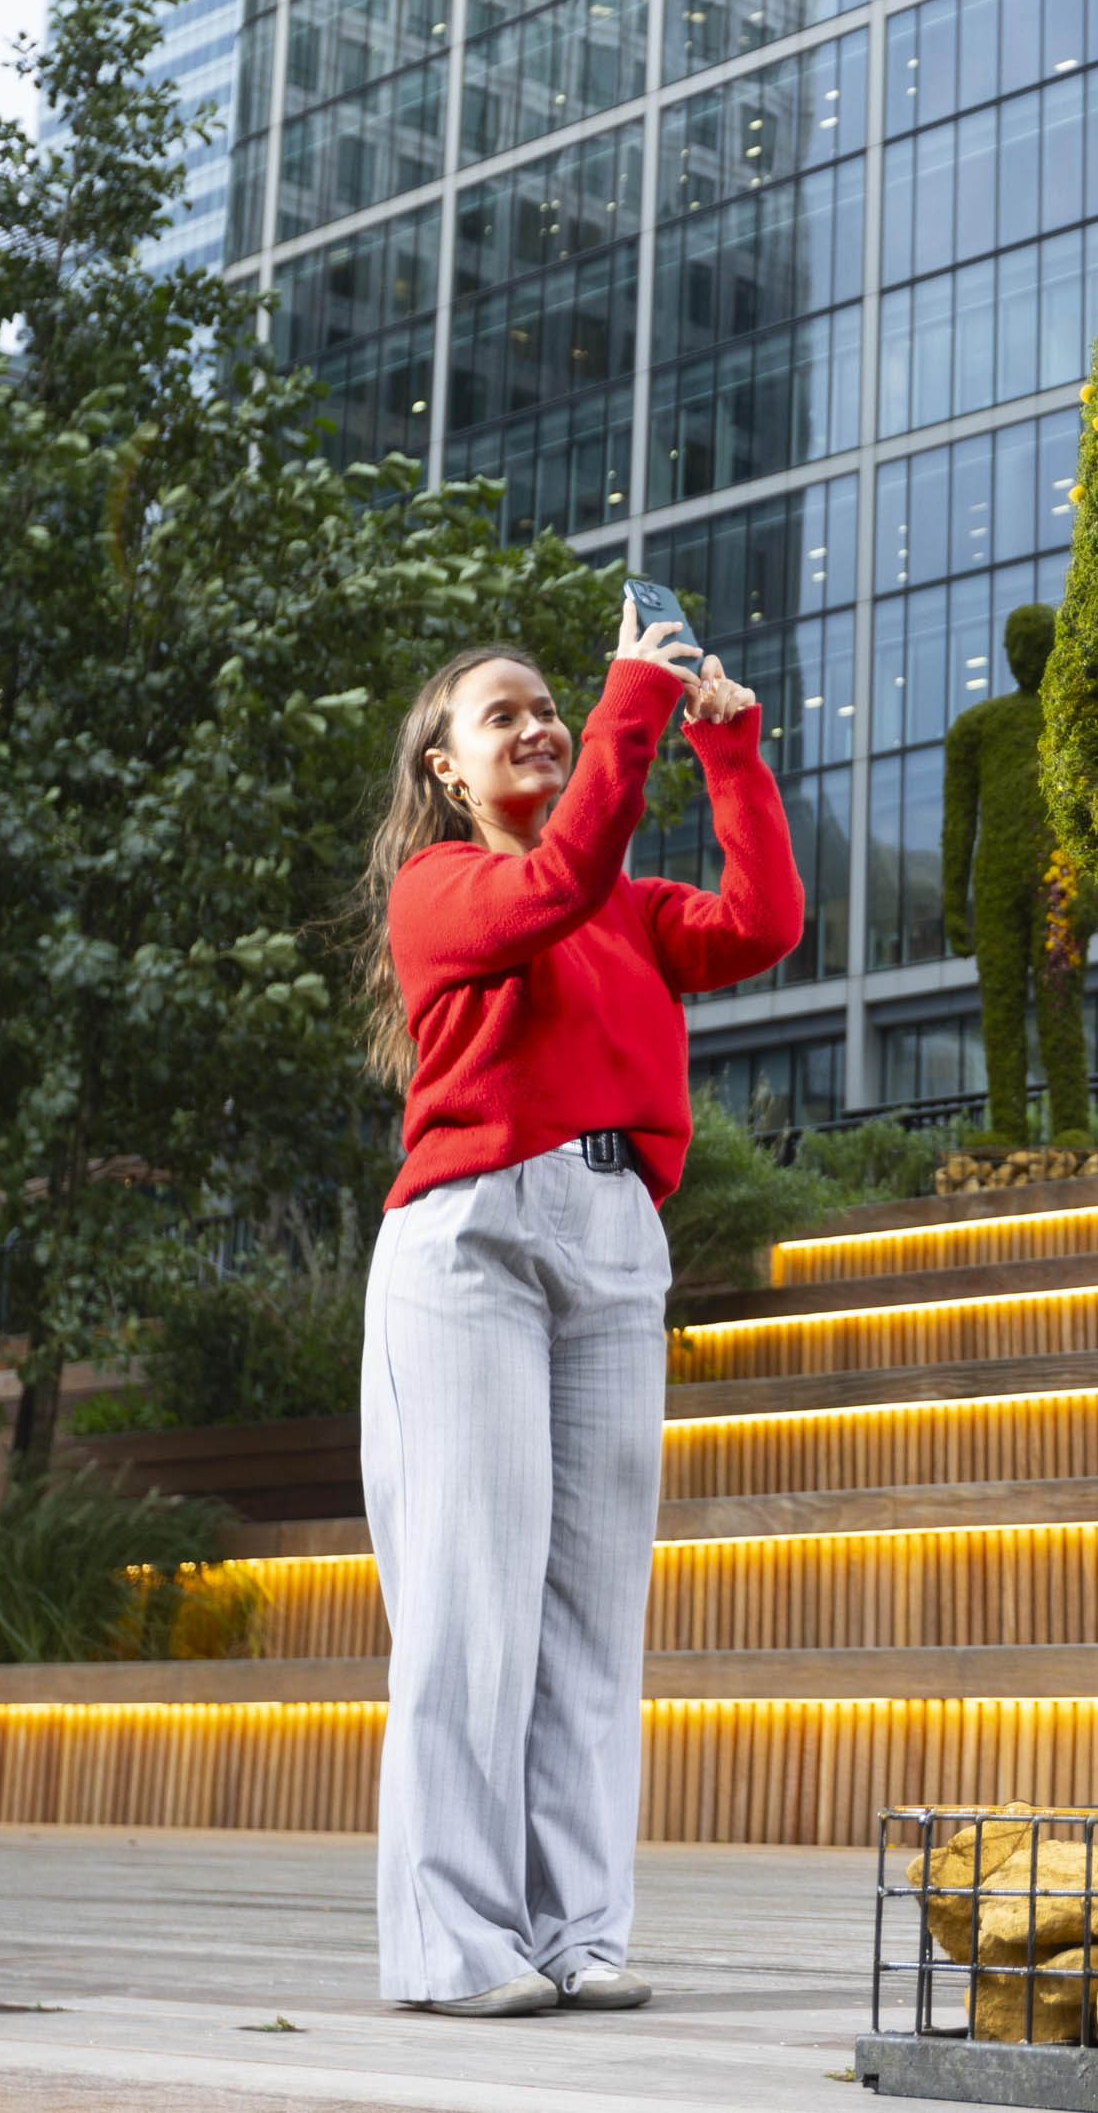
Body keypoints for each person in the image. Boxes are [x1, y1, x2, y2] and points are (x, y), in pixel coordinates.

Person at [354, 596, 801, 2016]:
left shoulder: (625, 906)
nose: (542, 723)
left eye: (554, 705)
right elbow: (549, 885)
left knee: (595, 1618)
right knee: (472, 1605)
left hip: (614, 1237)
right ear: (446, 770)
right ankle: (452, 1947)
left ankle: (578, 1933)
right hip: (473, 1239)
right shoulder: (439, 892)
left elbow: (760, 924)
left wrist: (728, 749)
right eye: (507, 715)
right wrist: (631, 694)